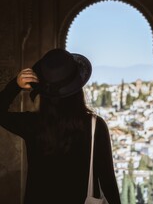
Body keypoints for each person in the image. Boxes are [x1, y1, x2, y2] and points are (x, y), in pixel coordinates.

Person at [0, 48, 121, 204]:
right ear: (78, 87)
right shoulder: (95, 126)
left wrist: (15, 85)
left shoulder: (33, 124)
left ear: (44, 90)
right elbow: (108, 182)